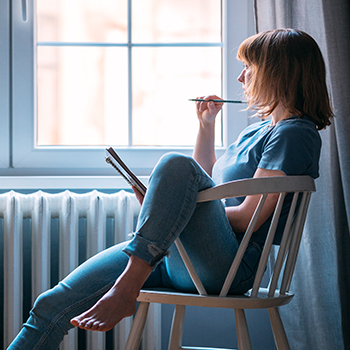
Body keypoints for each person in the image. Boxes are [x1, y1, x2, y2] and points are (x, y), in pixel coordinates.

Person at [8, 28, 333, 349]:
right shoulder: (259, 131)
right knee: (52, 304)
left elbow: (249, 217)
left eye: (249, 67)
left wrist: (179, 211)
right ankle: (128, 284)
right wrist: (206, 128)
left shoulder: (295, 133)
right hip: (180, 255)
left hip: (230, 265)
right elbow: (206, 182)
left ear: (276, 73)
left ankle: (127, 287)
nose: (241, 78)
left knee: (174, 164)